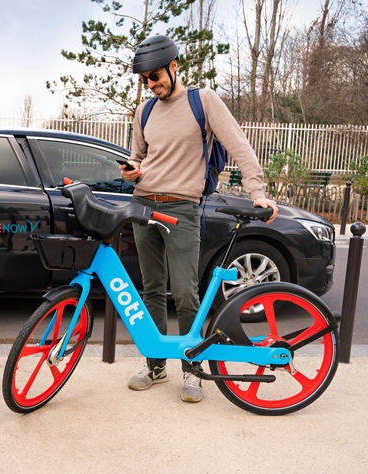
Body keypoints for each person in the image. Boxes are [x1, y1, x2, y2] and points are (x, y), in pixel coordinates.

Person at [120, 35, 278, 403]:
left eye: (155, 75)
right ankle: (155, 364)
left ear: (174, 66)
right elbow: (137, 157)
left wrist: (257, 191)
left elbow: (239, 144)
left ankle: (193, 369)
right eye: (144, 79)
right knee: (151, 289)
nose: (151, 84)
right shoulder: (144, 111)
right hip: (143, 204)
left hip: (182, 208)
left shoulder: (202, 100)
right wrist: (131, 171)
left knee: (186, 291)